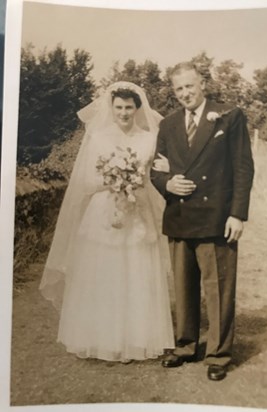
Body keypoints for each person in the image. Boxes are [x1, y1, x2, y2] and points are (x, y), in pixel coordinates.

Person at [40, 81, 174, 362]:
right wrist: (114, 179)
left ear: (137, 109)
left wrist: (139, 179)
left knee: (136, 269)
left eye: (129, 107)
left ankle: (137, 336)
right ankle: (100, 336)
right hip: (104, 210)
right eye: (119, 107)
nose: (124, 113)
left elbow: (155, 176)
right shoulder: (99, 137)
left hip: (138, 209)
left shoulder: (149, 138)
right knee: (104, 271)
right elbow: (87, 181)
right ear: (111, 109)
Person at [151, 62, 254, 380]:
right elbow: (156, 169)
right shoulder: (167, 124)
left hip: (217, 218)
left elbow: (243, 167)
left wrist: (237, 213)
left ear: (202, 85)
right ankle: (185, 346)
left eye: (189, 86)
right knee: (183, 287)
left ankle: (219, 355)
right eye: (179, 88)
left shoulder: (229, 116)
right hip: (180, 216)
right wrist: (167, 183)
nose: (185, 93)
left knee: (218, 287)